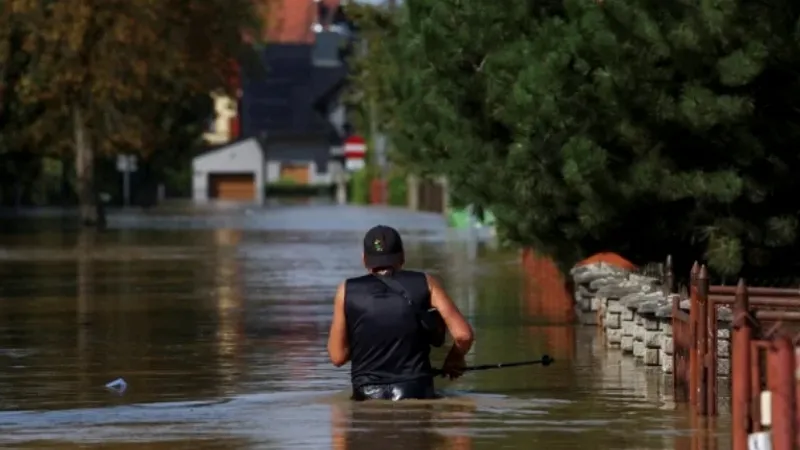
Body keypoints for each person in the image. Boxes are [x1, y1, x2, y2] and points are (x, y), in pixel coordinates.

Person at [327, 225, 475, 401]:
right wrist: (454, 359)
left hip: (367, 396)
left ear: (364, 259)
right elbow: (463, 336)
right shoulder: (426, 283)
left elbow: (337, 356)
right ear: (402, 256)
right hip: (417, 391)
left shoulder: (346, 290)